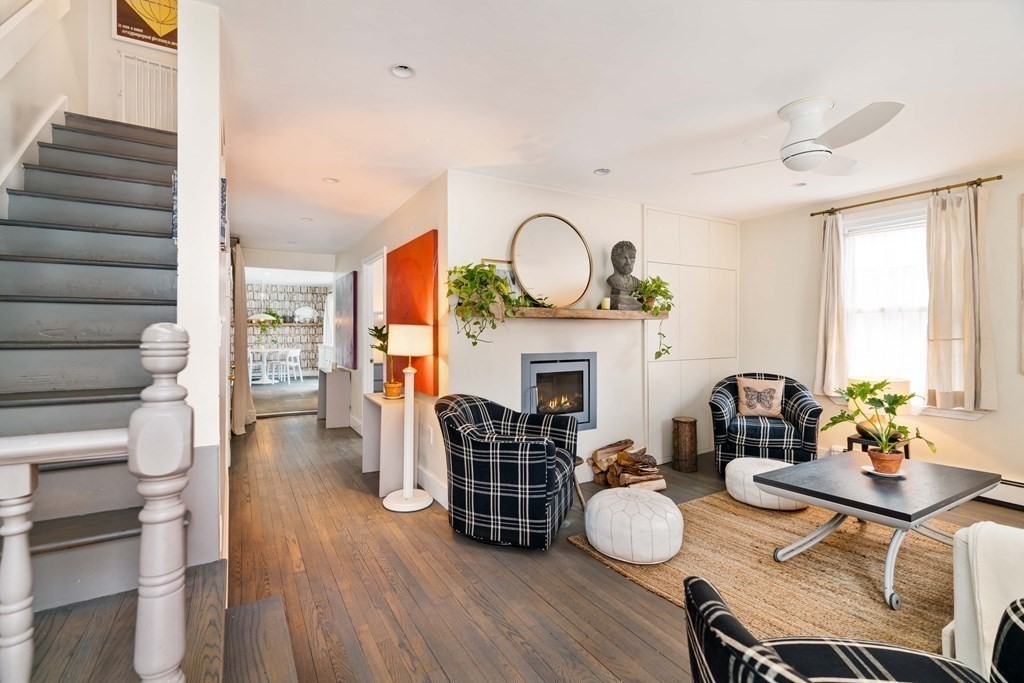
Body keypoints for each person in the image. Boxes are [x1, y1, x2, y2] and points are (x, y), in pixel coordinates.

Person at [607, 241, 642, 309]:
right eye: (624, 258)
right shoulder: (612, 280)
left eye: (632, 258)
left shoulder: (636, 282)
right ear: (614, 259)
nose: (628, 262)